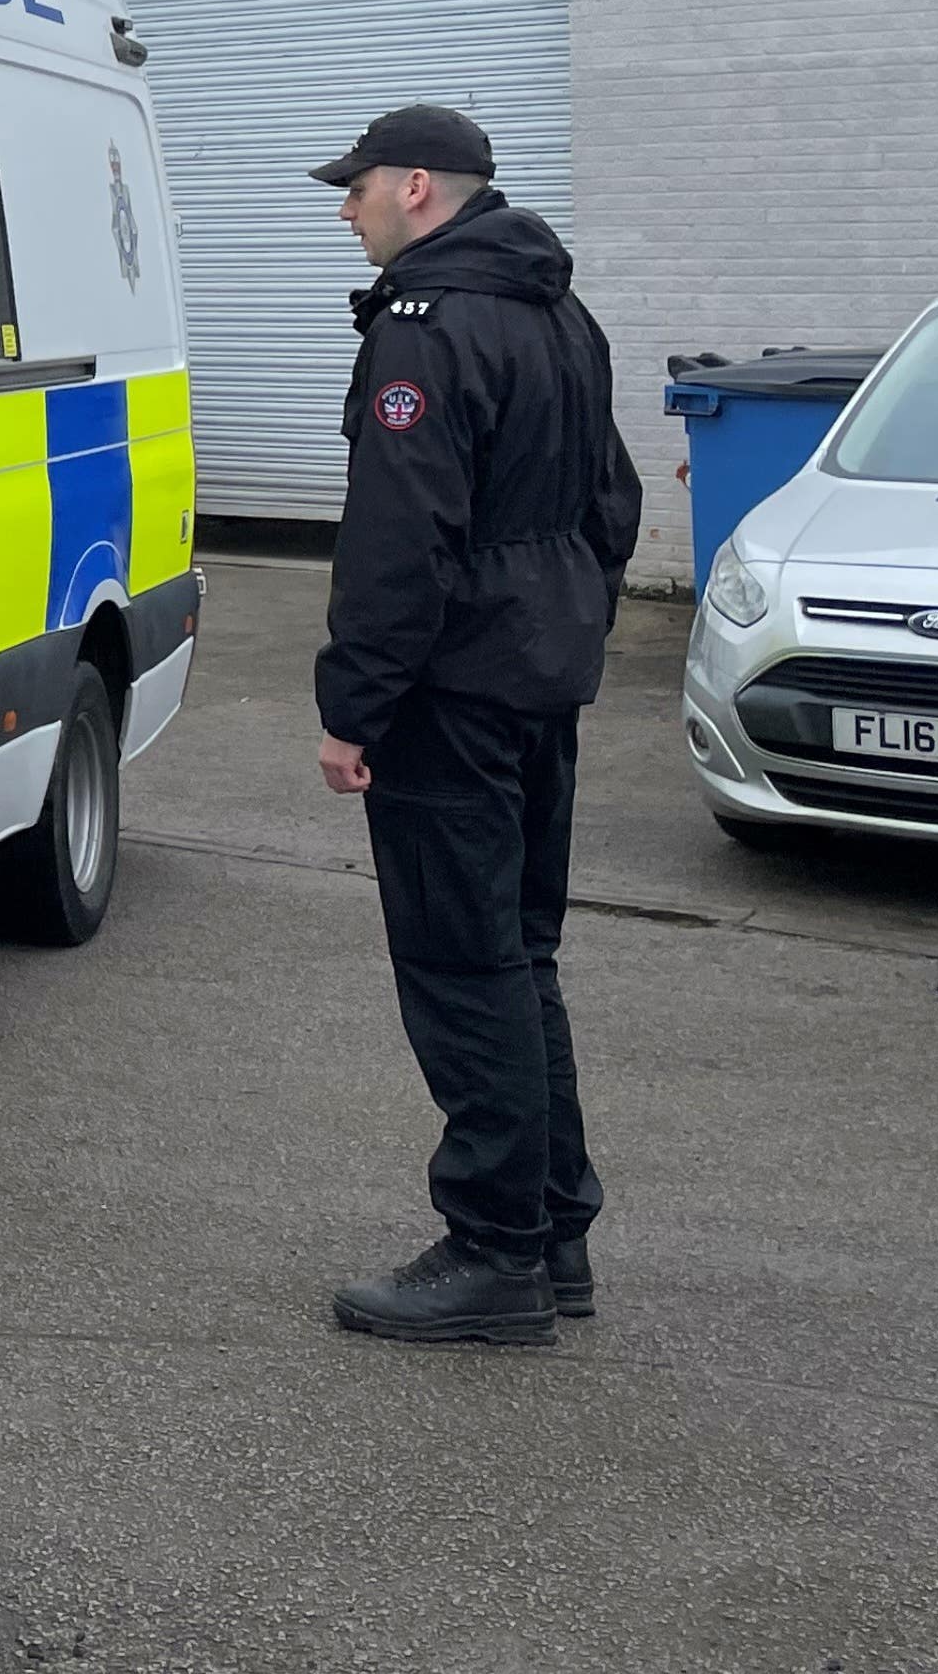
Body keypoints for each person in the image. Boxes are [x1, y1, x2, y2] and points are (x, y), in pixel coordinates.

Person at [307, 107, 642, 1348]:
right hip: (536, 680)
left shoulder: (424, 328)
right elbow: (608, 503)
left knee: (462, 963)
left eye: (354, 192)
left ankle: (493, 1250)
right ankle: (553, 1232)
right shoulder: (557, 310)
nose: (345, 211)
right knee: (519, 955)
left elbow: (399, 543)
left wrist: (352, 706)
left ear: (413, 188)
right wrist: (564, 625)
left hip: (451, 696)